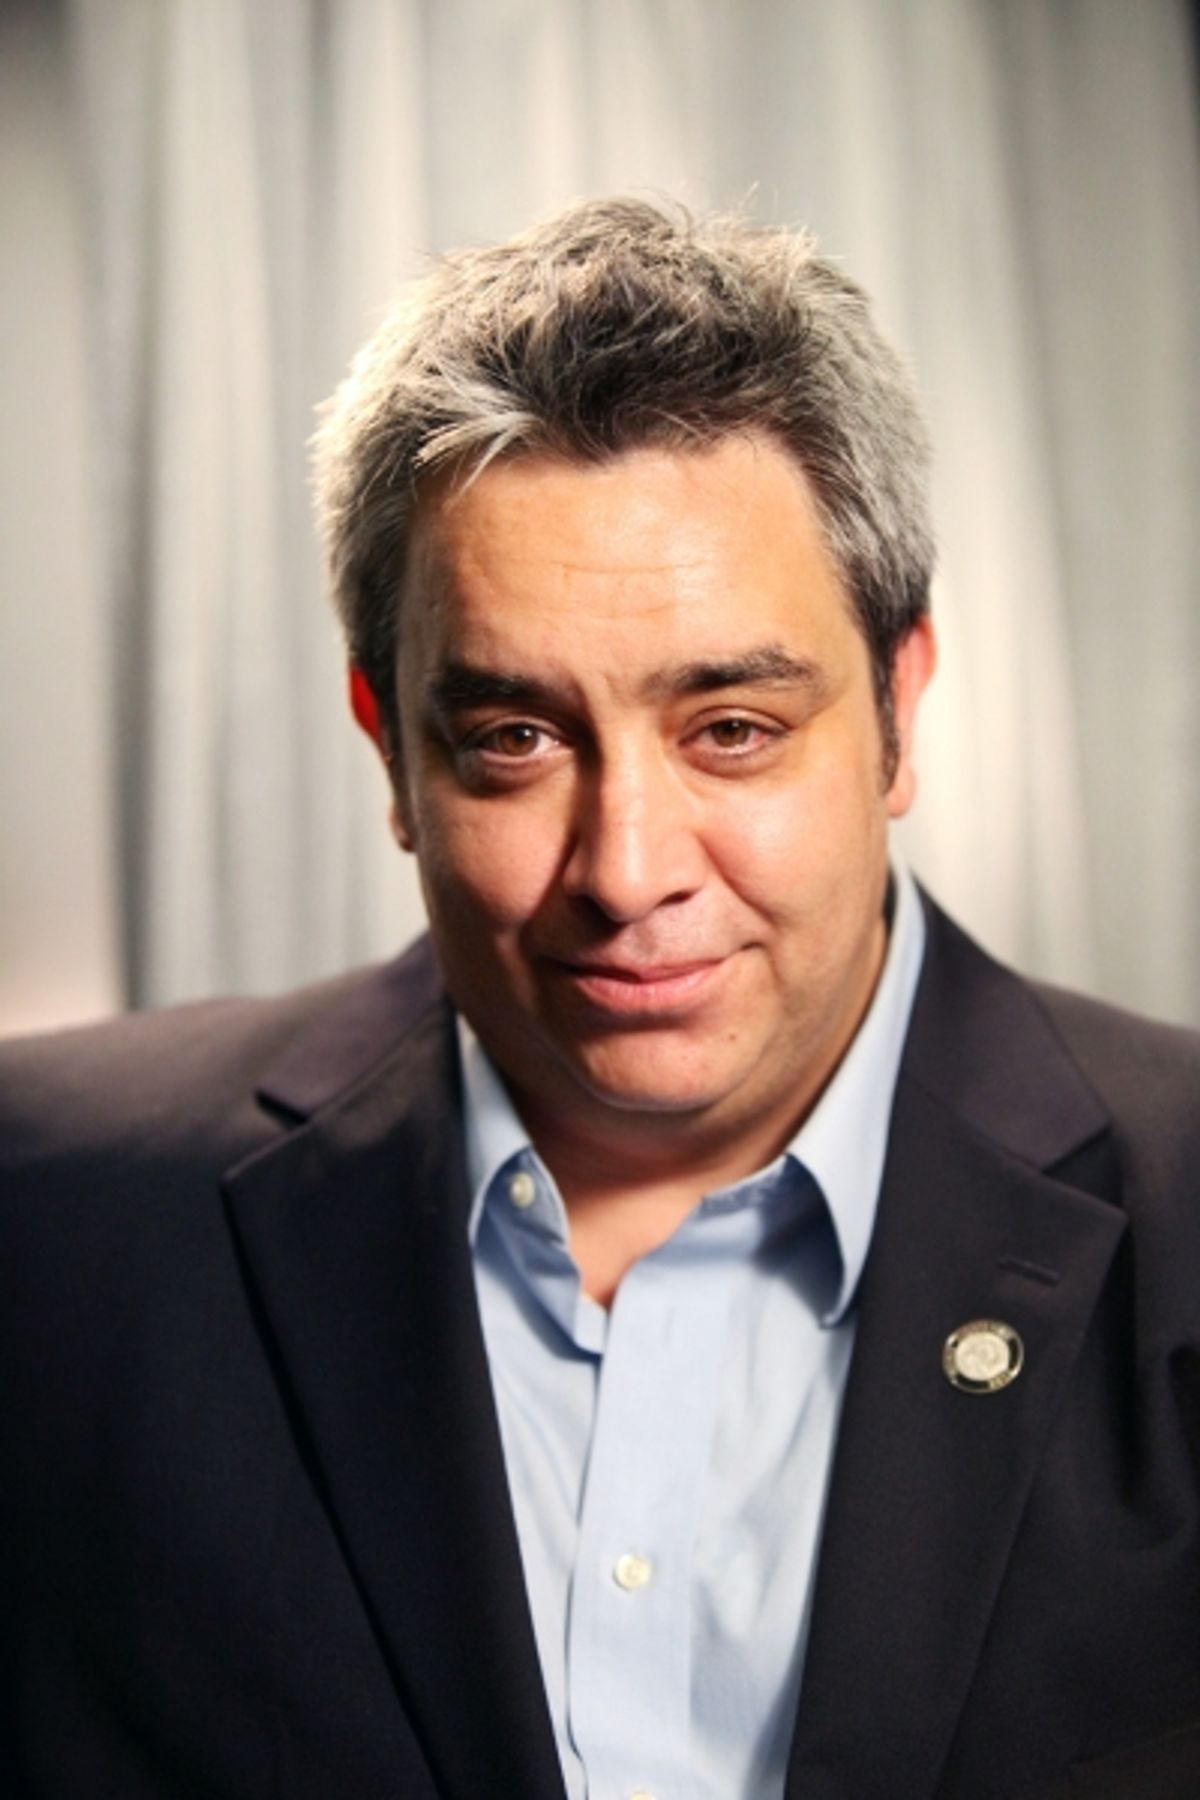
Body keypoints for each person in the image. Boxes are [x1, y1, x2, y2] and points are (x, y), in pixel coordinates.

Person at [2, 197, 1198, 1800]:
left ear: (901, 712)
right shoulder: (48, 1222)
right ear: (389, 745)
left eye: (732, 730)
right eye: (514, 740)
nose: (627, 872)